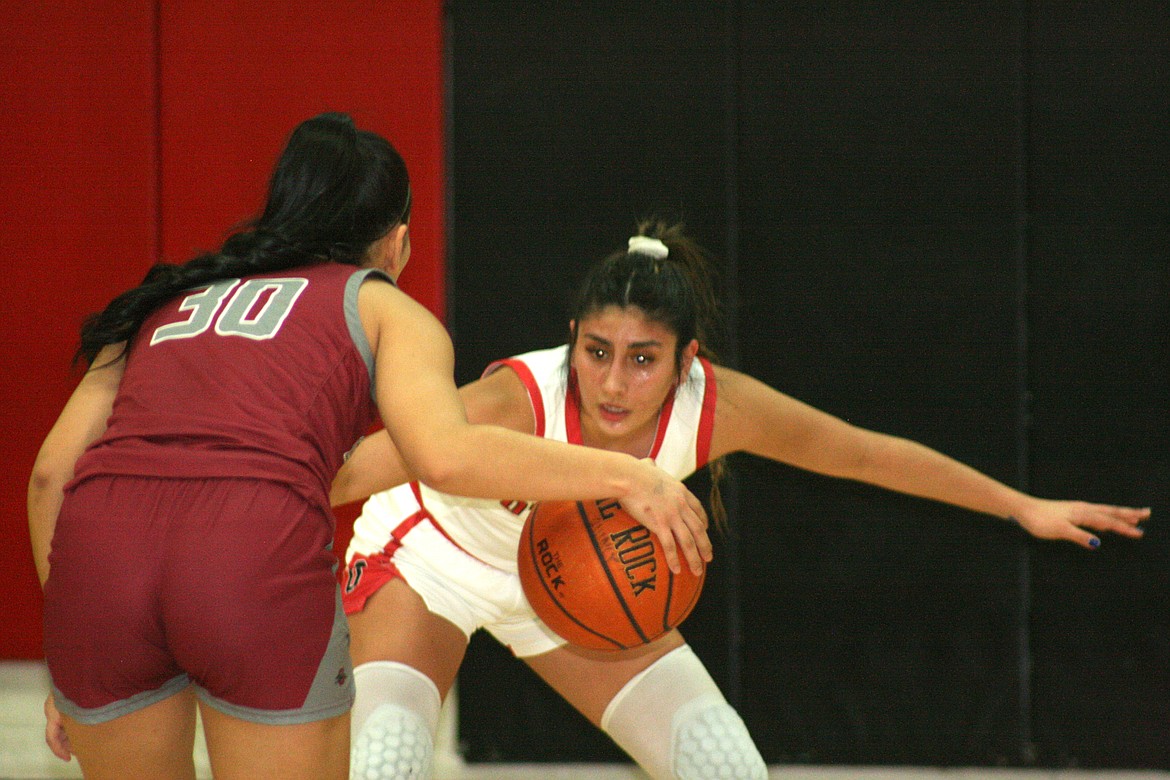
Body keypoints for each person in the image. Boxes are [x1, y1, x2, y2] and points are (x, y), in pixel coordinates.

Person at [331, 221, 1151, 780]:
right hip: (431, 560)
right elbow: (358, 468)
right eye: (597, 351)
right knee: (388, 755)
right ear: (572, 338)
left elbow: (863, 453)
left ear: (687, 361)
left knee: (723, 763)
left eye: (643, 359)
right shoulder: (517, 396)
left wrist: (1020, 505)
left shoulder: (718, 406)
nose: (613, 382)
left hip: (578, 587)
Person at [27, 118, 710, 780]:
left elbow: (53, 475)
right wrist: (631, 476)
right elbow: (447, 457)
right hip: (245, 545)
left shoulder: (160, 300)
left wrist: (74, 650)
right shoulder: (381, 306)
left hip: (101, 560)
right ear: (398, 242)